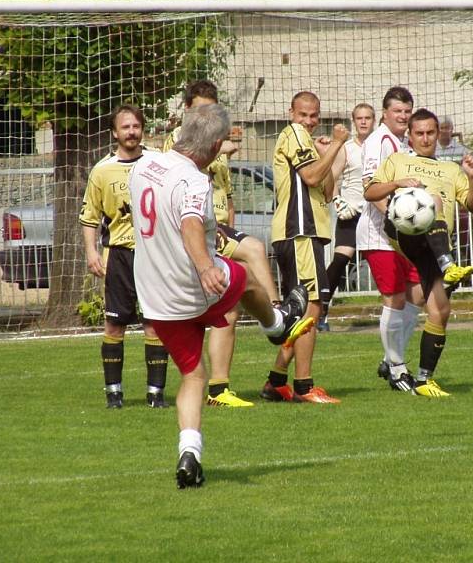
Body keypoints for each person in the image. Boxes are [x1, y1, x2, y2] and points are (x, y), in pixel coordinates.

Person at [129, 103, 313, 488]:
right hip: (192, 285)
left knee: (194, 376)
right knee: (244, 277)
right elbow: (191, 222)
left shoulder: (143, 166)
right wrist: (204, 266)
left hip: (156, 297)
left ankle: (189, 454)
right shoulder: (195, 181)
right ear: (215, 148)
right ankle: (277, 324)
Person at [164, 80, 281, 408]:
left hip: (217, 228)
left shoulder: (215, 143)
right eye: (202, 108)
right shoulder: (177, 144)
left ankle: (275, 314)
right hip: (194, 233)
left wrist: (227, 221)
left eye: (213, 109)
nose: (208, 114)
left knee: (251, 256)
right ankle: (276, 321)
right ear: (188, 109)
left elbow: (225, 192)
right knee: (225, 302)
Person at [356, 87, 473, 391]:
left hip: (428, 242)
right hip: (396, 233)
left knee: (435, 307)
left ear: (438, 134)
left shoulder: (450, 167)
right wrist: (397, 196)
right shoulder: (392, 155)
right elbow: (369, 190)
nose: (425, 137)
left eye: (430, 132)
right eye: (418, 132)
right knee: (395, 298)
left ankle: (421, 376)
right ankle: (396, 369)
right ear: (409, 135)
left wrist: (472, 178)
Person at [260, 91, 349, 404]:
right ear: (291, 113)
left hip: (306, 233)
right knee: (311, 307)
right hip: (299, 231)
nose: (309, 121)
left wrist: (330, 153)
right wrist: (338, 142)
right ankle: (303, 387)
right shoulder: (294, 133)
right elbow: (311, 177)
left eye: (314, 116)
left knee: (305, 309)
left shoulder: (307, 140)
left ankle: (275, 382)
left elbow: (326, 188)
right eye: (303, 115)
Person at [80, 104, 169, 409]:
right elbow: (90, 216)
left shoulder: (158, 163)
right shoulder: (102, 170)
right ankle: (114, 393)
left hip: (154, 255)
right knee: (114, 325)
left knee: (155, 324)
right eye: (125, 127)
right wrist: (92, 251)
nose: (131, 132)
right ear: (114, 133)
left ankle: (155, 395)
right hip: (119, 256)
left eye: (136, 126)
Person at [317, 103, 376, 331]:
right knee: (341, 260)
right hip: (351, 213)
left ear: (374, 120)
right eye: (359, 118)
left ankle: (403, 307)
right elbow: (330, 176)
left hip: (375, 212)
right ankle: (321, 312)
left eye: (368, 118)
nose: (363, 122)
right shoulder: (347, 148)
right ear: (354, 121)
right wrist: (337, 200)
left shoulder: (379, 146)